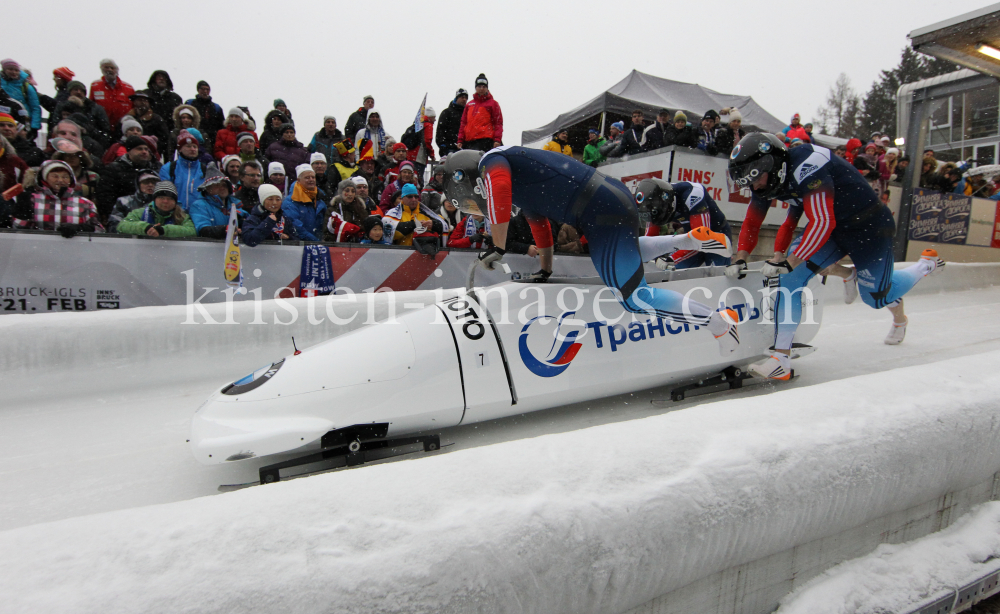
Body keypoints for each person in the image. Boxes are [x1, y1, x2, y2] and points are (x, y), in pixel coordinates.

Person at [441, 147, 740, 356]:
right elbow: (541, 229)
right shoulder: (517, 178)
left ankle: (719, 324)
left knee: (636, 298)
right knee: (623, 256)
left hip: (598, 209)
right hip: (601, 203)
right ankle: (686, 240)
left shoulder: (493, 161)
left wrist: (498, 246)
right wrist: (545, 268)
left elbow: (500, 191)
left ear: (465, 179)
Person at [727, 133, 945, 379]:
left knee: (875, 298)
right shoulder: (765, 180)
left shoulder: (809, 164)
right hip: (835, 228)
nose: (754, 187)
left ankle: (925, 266)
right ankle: (781, 359)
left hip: (869, 227)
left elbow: (822, 221)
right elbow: (753, 221)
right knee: (789, 280)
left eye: (755, 180)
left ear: (773, 166)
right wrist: (740, 258)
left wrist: (789, 261)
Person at [639, 179, 732, 269]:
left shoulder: (692, 194)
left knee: (716, 273)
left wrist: (671, 258)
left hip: (714, 235)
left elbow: (702, 239)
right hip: (691, 234)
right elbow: (649, 240)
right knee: (676, 271)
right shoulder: (652, 206)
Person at [12, 159, 104, 236]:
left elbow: (100, 231)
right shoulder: (33, 199)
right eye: (55, 176)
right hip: (39, 250)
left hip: (74, 251)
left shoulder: (85, 203)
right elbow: (19, 230)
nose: (60, 180)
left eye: (65, 177)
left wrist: (80, 228)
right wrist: (22, 212)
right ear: (45, 179)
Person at [97, 135, 155, 219]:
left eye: (146, 149)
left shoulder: (153, 169)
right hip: (122, 215)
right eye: (139, 149)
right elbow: (105, 196)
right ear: (129, 151)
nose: (144, 152)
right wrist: (113, 215)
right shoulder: (113, 169)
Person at [115, 181, 195, 237]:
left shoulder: (182, 216)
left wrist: (164, 230)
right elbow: (122, 226)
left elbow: (191, 231)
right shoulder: (139, 212)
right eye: (161, 197)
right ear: (154, 199)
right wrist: (146, 228)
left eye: (170, 199)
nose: (165, 201)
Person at [382, 183, 446, 247]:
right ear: (402, 198)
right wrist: (414, 224)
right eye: (410, 196)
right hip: (400, 252)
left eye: (416, 197)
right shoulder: (393, 213)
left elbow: (445, 226)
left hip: (422, 253)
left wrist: (434, 225)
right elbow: (389, 233)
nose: (414, 199)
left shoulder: (426, 213)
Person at [189, 164, 244, 238]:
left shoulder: (236, 205)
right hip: (210, 247)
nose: (222, 188)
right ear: (208, 188)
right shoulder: (199, 205)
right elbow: (202, 230)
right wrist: (225, 230)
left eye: (224, 185)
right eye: (217, 185)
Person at [158, 131, 207, 210]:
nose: (192, 149)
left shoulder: (205, 169)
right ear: (180, 149)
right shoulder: (169, 168)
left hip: (200, 212)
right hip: (176, 212)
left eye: (195, 146)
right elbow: (165, 192)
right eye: (188, 146)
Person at [281, 164, 327, 241]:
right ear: (298, 180)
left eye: (313, 177)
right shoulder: (289, 202)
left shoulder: (319, 199)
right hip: (300, 246)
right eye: (307, 178)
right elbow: (297, 228)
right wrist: (316, 241)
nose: (311, 180)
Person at [458, 74, 502, 152]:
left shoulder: (493, 104)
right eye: (479, 86)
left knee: (482, 163)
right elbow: (463, 123)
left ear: (487, 88)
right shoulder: (469, 105)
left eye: (484, 87)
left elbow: (498, 123)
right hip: (469, 142)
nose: (481, 89)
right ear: (476, 88)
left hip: (485, 140)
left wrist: (497, 140)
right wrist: (460, 140)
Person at [88, 59, 134, 134]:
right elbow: (91, 105)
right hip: (101, 127)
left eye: (112, 68)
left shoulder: (128, 88)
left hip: (122, 128)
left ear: (117, 70)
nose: (109, 70)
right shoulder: (95, 86)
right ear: (102, 69)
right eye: (106, 67)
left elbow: (133, 108)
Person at [1, 59, 41, 136]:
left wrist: (34, 127)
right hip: (3, 120)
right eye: (10, 69)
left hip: (21, 119)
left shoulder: (25, 86)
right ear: (4, 70)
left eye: (16, 70)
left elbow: (35, 107)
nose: (14, 72)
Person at [125, 91, 169, 159]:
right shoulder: (127, 118)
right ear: (134, 102)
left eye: (145, 100)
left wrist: (152, 145)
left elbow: (164, 139)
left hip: (149, 153)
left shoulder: (156, 119)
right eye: (139, 100)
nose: (143, 102)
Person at [185, 81, 224, 149]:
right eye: (202, 89)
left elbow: (221, 125)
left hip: (211, 138)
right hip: (192, 135)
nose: (205, 91)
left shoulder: (215, 107)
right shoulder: (190, 103)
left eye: (207, 89)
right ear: (198, 90)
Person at [436, 89, 467, 156]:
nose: (464, 99)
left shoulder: (467, 114)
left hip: (464, 148)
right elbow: (440, 130)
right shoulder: (447, 112)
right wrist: (442, 145)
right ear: (457, 98)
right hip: (449, 148)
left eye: (466, 98)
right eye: (462, 97)